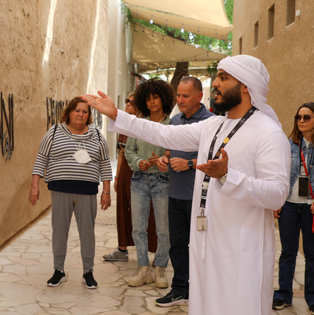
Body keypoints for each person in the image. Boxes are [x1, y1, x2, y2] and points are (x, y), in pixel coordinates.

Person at [82, 54, 290, 315]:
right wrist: (117, 114)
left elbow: (277, 194)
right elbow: (164, 132)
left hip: (240, 248)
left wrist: (228, 176)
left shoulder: (268, 132)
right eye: (217, 76)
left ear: (246, 86)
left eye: (224, 78)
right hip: (206, 242)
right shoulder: (214, 125)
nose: (215, 83)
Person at [29, 96, 112, 289]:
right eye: (77, 110)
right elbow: (41, 158)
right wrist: (34, 185)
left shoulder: (97, 136)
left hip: (87, 191)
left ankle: (88, 272)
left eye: (85, 111)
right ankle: (59, 271)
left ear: (88, 115)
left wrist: (106, 191)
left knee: (87, 233)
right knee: (59, 231)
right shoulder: (55, 132)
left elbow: (105, 164)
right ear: (69, 112)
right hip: (60, 190)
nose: (81, 114)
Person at [155, 76, 214, 306]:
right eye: (178, 95)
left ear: (199, 97)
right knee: (177, 244)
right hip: (175, 194)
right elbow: (170, 149)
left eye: (185, 96)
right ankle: (180, 288)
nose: (180, 100)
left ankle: (202, 290)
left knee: (200, 245)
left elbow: (216, 158)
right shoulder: (175, 120)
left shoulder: (211, 122)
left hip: (199, 198)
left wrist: (189, 164)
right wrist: (164, 158)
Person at [123, 79, 174, 288]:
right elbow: (129, 151)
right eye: (148, 98)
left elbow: (176, 149)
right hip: (139, 180)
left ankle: (160, 268)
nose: (152, 102)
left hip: (163, 181)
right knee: (138, 229)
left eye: (155, 97)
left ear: (163, 99)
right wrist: (140, 162)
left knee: (164, 230)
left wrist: (164, 159)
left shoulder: (172, 125)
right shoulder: (139, 124)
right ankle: (143, 268)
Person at [103, 93, 158, 262]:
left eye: (132, 102)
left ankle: (155, 251)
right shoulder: (124, 125)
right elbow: (121, 153)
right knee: (123, 208)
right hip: (126, 170)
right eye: (126, 101)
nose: (127, 104)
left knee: (147, 211)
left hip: (143, 170)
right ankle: (122, 248)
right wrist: (117, 177)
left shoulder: (145, 125)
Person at [273, 103, 314, 314]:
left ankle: (312, 298)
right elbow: (279, 174)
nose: (301, 121)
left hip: (311, 207)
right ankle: (283, 295)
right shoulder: (288, 145)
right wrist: (277, 201)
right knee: (287, 252)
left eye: (306, 117)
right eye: (299, 117)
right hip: (289, 205)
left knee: (311, 254)